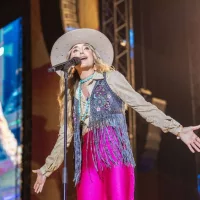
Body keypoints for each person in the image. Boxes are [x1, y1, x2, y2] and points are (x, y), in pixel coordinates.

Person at [33, 28, 200, 200]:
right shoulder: (71, 94)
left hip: (114, 152)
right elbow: (64, 136)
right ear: (70, 60)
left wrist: (178, 129)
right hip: (87, 161)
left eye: (86, 48)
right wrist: (46, 169)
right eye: (75, 50)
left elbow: (142, 106)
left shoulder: (111, 78)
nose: (81, 52)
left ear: (94, 55)